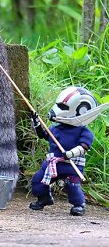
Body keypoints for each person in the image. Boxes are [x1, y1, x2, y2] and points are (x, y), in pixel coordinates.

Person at [29, 86, 108, 216]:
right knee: (38, 180)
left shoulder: (84, 131)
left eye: (64, 107)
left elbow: (84, 147)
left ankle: (79, 205)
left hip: (72, 165)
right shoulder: (56, 128)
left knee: (72, 185)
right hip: (53, 163)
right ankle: (44, 198)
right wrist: (36, 122)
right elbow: (44, 135)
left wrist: (71, 154)